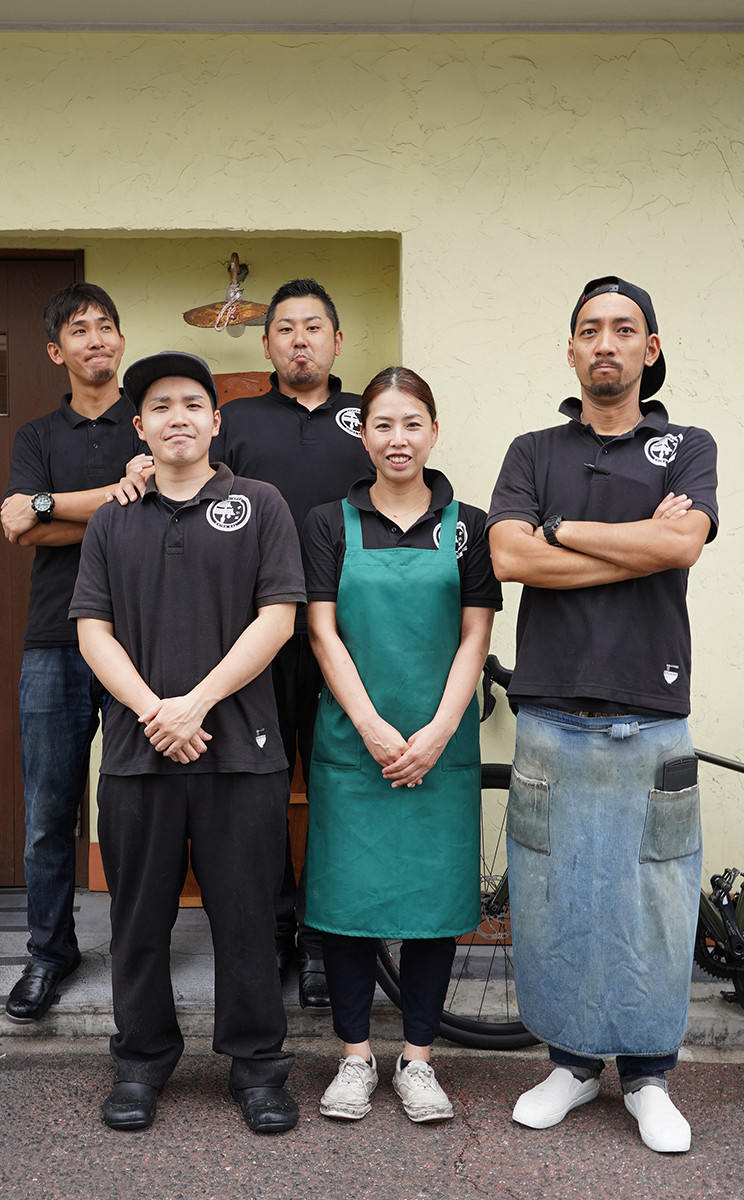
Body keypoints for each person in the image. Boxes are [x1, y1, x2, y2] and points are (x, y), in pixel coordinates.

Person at [486, 276, 718, 1153]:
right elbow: (510, 558)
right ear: (572, 349)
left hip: (652, 713)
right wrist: (637, 545)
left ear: (649, 349)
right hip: (552, 710)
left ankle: (649, 1077)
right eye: (590, 329)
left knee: (655, 903)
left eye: (625, 329)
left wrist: (564, 530)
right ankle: (573, 1066)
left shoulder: (686, 446)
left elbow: (683, 541)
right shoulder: (532, 450)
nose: (606, 343)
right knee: (554, 899)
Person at [69, 351, 305, 1135]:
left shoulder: (260, 504)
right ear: (139, 427)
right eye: (162, 406)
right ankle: (140, 1062)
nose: (178, 417)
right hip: (138, 756)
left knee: (248, 919)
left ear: (215, 421)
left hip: (242, 752)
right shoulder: (112, 519)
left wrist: (194, 704)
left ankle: (258, 1067)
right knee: (138, 922)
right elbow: (92, 631)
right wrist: (153, 713)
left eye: (192, 404)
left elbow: (279, 618)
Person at [301, 367, 501, 1123]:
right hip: (355, 745)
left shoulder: (468, 526)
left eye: (412, 423)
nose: (397, 439)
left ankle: (418, 1060)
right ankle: (354, 1057)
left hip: (440, 744)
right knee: (346, 902)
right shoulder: (328, 524)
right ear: (363, 434)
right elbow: (321, 632)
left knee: (432, 906)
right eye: (382, 424)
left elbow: (475, 636)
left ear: (434, 432)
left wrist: (440, 731)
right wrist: (373, 727)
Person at [213, 278, 371, 1010]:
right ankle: (276, 929)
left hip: (351, 636)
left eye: (313, 327)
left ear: (336, 340)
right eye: (285, 329)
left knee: (339, 784)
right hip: (258, 633)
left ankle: (325, 937)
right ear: (267, 342)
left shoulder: (370, 417)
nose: (299, 340)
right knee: (262, 787)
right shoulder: (237, 421)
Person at [0, 283, 150, 1024]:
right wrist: (114, 496)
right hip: (53, 641)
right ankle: (49, 953)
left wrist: (48, 507)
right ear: (57, 351)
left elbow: (154, 510)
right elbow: (15, 527)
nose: (97, 340)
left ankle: (136, 948)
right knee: (48, 811)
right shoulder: (37, 436)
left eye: (106, 327)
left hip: (136, 640)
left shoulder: (147, 422)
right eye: (80, 330)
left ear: (121, 340)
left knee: (130, 809)